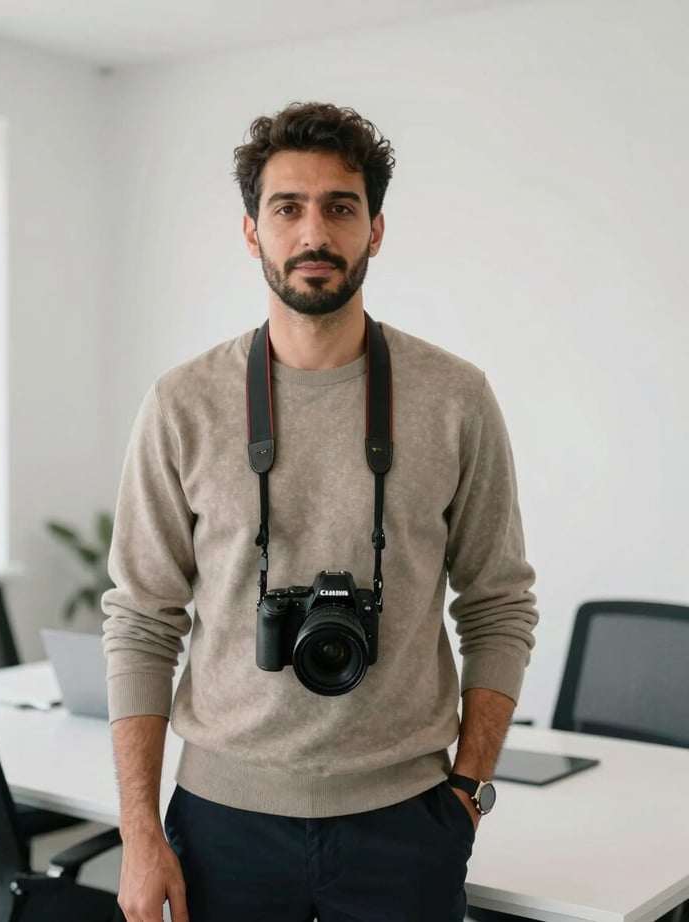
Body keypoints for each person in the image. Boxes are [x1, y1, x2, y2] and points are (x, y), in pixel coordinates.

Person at [102, 101, 539, 922]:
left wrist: (470, 790)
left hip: (407, 822)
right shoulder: (183, 404)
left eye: (341, 207)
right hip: (221, 820)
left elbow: (499, 603)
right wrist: (139, 832)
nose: (314, 233)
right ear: (250, 231)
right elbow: (142, 621)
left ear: (376, 229)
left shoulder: (455, 398)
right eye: (287, 207)